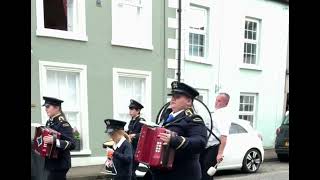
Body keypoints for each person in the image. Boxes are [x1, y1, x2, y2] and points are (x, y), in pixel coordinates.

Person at [150, 81, 208, 180]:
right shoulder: (165, 118)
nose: (172, 100)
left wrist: (174, 140)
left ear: (189, 101)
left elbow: (200, 142)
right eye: (172, 97)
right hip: (162, 173)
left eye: (177, 97)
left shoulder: (193, 119)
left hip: (183, 174)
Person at [200, 93, 232, 180]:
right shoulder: (216, 113)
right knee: (201, 173)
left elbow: (224, 136)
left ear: (226, 103)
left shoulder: (224, 115)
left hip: (213, 148)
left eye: (219, 101)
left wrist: (220, 153)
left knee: (207, 174)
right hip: (206, 147)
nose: (216, 102)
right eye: (216, 100)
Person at [42, 96, 75, 180]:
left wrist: (54, 141)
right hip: (52, 162)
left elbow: (72, 144)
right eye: (45, 107)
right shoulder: (49, 122)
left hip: (60, 164)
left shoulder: (63, 124)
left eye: (48, 106)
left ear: (57, 107)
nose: (46, 109)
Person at [126, 99, 145, 180]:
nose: (130, 111)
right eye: (129, 109)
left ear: (138, 111)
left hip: (136, 149)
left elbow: (145, 134)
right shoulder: (131, 121)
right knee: (129, 170)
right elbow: (129, 131)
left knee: (131, 170)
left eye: (132, 109)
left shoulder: (142, 121)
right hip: (130, 148)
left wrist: (135, 135)